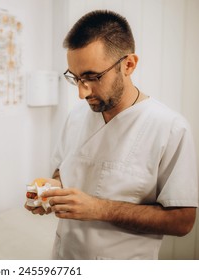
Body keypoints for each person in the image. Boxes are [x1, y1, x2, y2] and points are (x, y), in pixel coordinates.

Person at [25, 10, 198, 259]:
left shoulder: (170, 128)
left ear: (128, 65)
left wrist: (99, 208)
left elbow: (182, 221)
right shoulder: (76, 116)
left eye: (92, 77)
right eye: (75, 78)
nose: (82, 93)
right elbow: (62, 170)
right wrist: (53, 189)